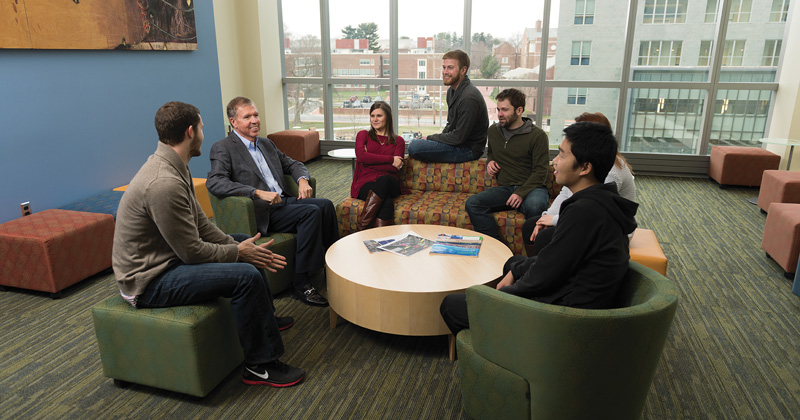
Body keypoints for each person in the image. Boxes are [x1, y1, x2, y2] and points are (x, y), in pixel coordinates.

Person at [113, 101, 305, 387]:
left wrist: (237, 246)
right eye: (202, 127)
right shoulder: (162, 182)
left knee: (243, 241)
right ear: (191, 132)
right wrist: (237, 253)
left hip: (169, 259)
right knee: (245, 275)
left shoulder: (176, 166)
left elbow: (202, 225)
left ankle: (265, 320)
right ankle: (260, 365)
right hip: (149, 281)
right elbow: (191, 252)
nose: (204, 133)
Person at [440, 121, 639, 336]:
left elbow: (546, 275)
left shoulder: (584, 213)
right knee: (513, 263)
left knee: (451, 305)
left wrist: (505, 294)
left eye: (562, 155)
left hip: (564, 318)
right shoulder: (601, 201)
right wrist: (516, 271)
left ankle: (502, 348)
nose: (554, 161)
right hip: (574, 291)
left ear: (585, 167)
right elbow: (557, 260)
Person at [207, 97, 338, 307]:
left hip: (283, 201)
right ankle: (301, 283)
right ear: (233, 122)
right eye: (247, 116)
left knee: (326, 205)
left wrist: (302, 180)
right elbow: (215, 183)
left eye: (256, 115)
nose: (254, 120)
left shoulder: (266, 143)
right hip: (262, 211)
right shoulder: (223, 148)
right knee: (311, 212)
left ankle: (333, 267)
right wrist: (256, 192)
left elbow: (293, 164)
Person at [523, 112, 637, 255]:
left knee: (545, 238)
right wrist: (546, 217)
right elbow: (566, 194)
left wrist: (553, 221)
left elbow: (591, 213)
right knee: (531, 225)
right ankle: (535, 265)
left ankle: (540, 269)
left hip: (608, 228)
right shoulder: (583, 170)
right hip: (585, 217)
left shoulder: (610, 172)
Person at [464, 88, 549, 240]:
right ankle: (494, 246)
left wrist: (521, 193)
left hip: (532, 188)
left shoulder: (538, 136)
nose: (500, 114)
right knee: (473, 203)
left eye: (504, 110)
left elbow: (540, 171)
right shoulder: (493, 131)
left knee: (534, 207)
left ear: (519, 110)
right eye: (498, 109)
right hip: (505, 188)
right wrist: (490, 162)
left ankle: (534, 257)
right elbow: (491, 153)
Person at [407, 49, 488, 163]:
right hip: (458, 144)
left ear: (463, 70)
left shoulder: (469, 98)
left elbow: (458, 137)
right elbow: (450, 126)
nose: (445, 72)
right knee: (417, 143)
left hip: (469, 149)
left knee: (414, 147)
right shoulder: (452, 91)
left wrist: (431, 138)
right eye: (444, 67)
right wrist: (434, 141)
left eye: (450, 67)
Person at [352, 101, 408, 230]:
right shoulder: (363, 135)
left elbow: (395, 168)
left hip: (391, 183)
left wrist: (369, 161)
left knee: (385, 179)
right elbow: (361, 157)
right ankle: (382, 241)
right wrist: (390, 159)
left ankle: (361, 229)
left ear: (387, 117)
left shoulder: (398, 141)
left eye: (379, 116)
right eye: (372, 116)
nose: (375, 119)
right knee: (386, 202)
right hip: (365, 182)